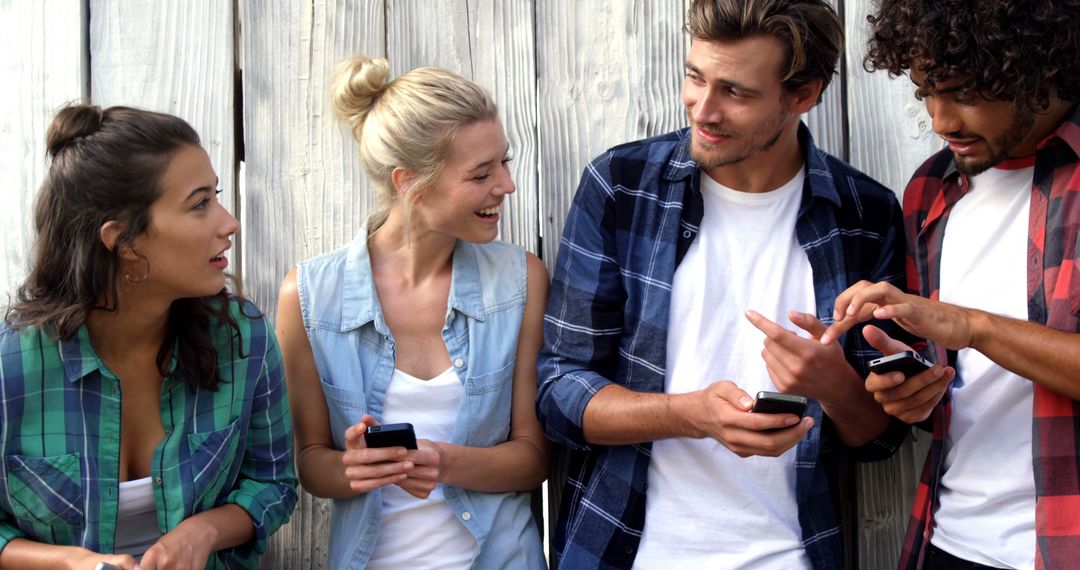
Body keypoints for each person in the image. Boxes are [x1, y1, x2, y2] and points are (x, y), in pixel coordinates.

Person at [536, 0, 910, 568]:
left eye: (736, 92)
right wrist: (691, 414)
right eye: (694, 77)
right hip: (625, 551)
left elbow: (879, 438)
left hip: (792, 554)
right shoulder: (622, 186)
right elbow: (558, 394)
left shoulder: (866, 215)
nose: (702, 110)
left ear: (802, 95)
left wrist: (835, 384)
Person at [820, 1, 1080, 568]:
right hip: (949, 540)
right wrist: (911, 386)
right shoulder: (931, 189)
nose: (939, 121)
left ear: (1039, 68)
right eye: (925, 93)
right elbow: (957, 382)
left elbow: (967, 331)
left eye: (962, 92)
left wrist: (971, 326)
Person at [275, 55, 549, 569]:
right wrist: (355, 466)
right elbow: (312, 464)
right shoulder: (309, 297)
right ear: (408, 182)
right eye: (481, 173)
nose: (506, 185)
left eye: (504, 162)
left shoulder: (520, 282)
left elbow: (533, 458)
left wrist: (446, 462)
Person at [0, 105, 298, 570]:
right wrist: (69, 563)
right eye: (200, 204)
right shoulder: (8, 366)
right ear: (123, 241)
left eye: (215, 197)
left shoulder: (244, 340)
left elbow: (273, 482)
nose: (229, 222)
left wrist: (202, 532)